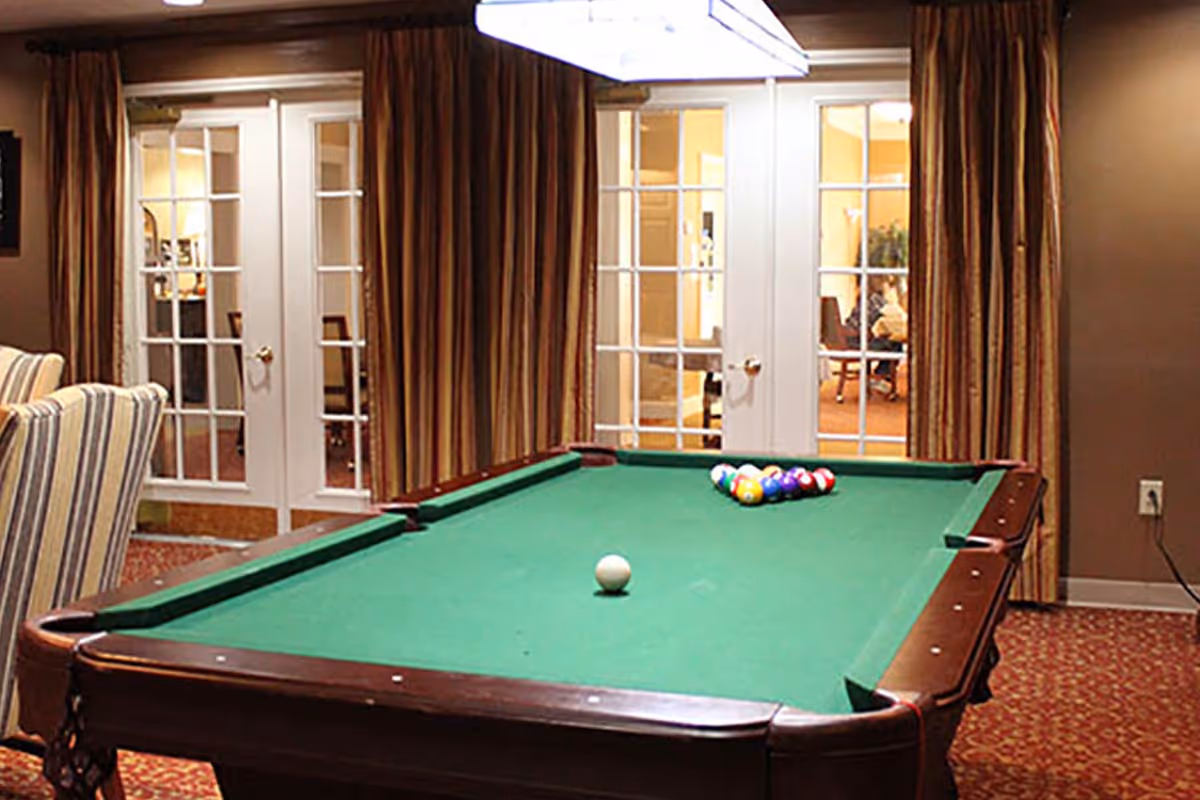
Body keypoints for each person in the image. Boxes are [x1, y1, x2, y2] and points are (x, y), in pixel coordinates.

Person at [844, 276, 906, 393]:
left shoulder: (862, 299)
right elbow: (891, 316)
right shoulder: (876, 300)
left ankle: (882, 375)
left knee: (889, 342)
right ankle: (880, 376)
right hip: (859, 343)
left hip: (847, 341)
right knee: (895, 344)